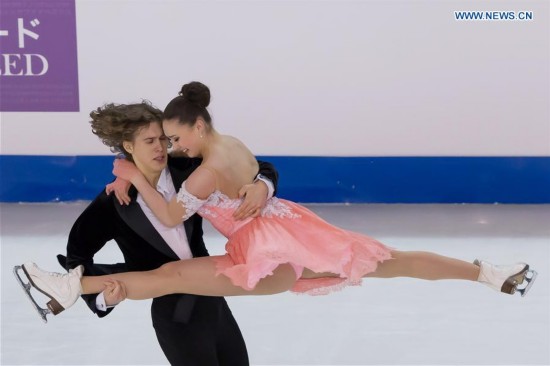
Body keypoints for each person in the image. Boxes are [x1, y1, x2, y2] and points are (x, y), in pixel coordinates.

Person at [20, 82, 537, 319]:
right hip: (297, 232)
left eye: (175, 140)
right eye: (162, 143)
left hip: (267, 254)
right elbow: (258, 169)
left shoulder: (200, 172)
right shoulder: (231, 145)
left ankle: (72, 287)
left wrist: (134, 172)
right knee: (392, 260)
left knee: (168, 279)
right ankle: (487, 273)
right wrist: (262, 186)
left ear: (197, 126)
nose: (171, 149)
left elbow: (176, 211)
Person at [54, 100, 280, 365]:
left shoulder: (187, 169)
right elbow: (75, 257)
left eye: (163, 138)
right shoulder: (112, 204)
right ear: (129, 147)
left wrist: (262, 186)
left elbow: (256, 165)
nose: (160, 147)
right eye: (149, 141)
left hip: (213, 299)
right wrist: (102, 298)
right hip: (176, 314)